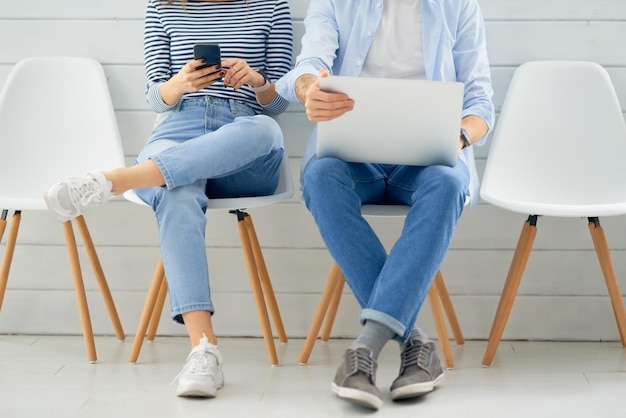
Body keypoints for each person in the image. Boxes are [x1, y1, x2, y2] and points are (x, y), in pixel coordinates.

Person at [44, 0, 293, 399]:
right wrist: (180, 85)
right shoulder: (163, 8)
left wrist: (258, 81)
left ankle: (116, 181)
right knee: (178, 192)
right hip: (181, 126)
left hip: (243, 139)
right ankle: (203, 350)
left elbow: (281, 102)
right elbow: (156, 96)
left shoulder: (272, 6)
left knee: (267, 132)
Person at [275, 0, 494, 411]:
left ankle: (366, 349)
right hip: (356, 156)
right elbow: (307, 67)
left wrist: (459, 136)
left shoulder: (459, 6)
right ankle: (416, 347)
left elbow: (481, 103)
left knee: (449, 182)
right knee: (321, 177)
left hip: (430, 158)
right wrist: (310, 90)